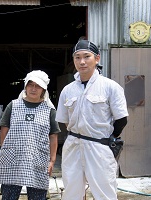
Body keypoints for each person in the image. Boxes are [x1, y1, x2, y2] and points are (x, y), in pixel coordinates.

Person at [56, 40, 129, 200]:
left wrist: (108, 139)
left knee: (104, 194)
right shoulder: (68, 90)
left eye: (86, 56)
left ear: (97, 58)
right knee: (71, 193)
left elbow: (121, 119)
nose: (82, 62)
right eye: (77, 57)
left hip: (99, 147)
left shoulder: (110, 87)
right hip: (73, 146)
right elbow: (65, 121)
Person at [0, 70, 61, 200]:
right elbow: (4, 130)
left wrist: (52, 161)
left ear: (43, 89)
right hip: (13, 160)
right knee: (9, 197)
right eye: (30, 85)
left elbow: (53, 136)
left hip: (38, 159)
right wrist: (4, 151)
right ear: (25, 86)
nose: (33, 89)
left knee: (37, 197)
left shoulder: (49, 110)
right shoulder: (13, 105)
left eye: (38, 86)